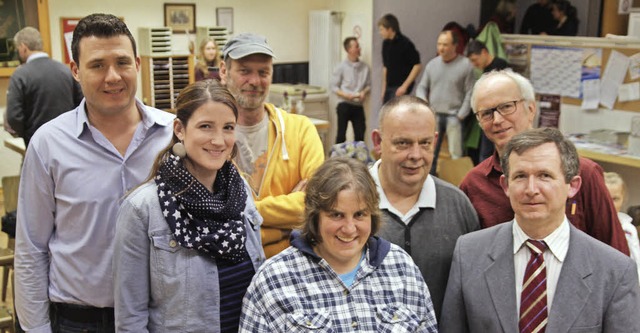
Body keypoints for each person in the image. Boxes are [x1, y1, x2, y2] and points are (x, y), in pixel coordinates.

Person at [14, 13, 174, 332]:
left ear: (138, 64)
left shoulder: (173, 135)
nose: (113, 76)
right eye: (97, 65)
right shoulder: (49, 144)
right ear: (75, 71)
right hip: (80, 320)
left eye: (122, 62)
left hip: (160, 317)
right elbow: (31, 248)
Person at [441, 127, 640, 332]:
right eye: (520, 176)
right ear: (505, 185)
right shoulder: (469, 254)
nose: (531, 189)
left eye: (544, 175)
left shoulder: (615, 271)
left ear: (572, 185)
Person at [113, 80, 265, 331]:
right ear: (180, 129)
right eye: (206, 126)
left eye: (228, 127)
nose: (219, 140)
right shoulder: (142, 209)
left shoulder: (242, 194)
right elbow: (130, 318)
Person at [239, 157, 438, 332]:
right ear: (315, 217)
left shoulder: (402, 269)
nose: (349, 229)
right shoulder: (273, 280)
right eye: (336, 215)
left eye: (359, 214)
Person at [460, 70, 630, 255]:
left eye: (507, 107)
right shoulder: (474, 185)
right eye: (486, 113)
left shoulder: (583, 173)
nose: (497, 120)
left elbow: (616, 255)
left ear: (531, 109)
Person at [370, 95, 479, 320]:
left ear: (435, 141)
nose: (416, 155)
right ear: (378, 141)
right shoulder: (347, 203)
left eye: (425, 143)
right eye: (403, 143)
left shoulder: (457, 205)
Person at [219, 33, 324, 258]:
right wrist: (286, 225)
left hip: (292, 267)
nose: (255, 81)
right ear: (224, 71)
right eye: (244, 71)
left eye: (263, 72)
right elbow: (213, 221)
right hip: (232, 270)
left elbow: (316, 205)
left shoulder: (300, 130)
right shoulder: (209, 140)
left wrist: (247, 213)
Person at [6, 26, 83, 147]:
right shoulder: (66, 70)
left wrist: (26, 134)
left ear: (23, 47)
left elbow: (14, 116)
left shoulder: (20, 75)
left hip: (36, 143)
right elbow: (81, 103)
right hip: (69, 141)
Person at [416, 30, 475, 175]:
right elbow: (422, 87)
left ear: (455, 46)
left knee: (456, 154)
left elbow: (470, 91)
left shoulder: (466, 65)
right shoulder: (432, 64)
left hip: (454, 116)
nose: (441, 48)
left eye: (445, 45)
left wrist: (462, 114)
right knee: (430, 151)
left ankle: (458, 184)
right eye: (439, 44)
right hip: (434, 114)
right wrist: (425, 106)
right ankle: (429, 180)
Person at [466, 39, 508, 163]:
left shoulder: (500, 66)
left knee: (487, 153)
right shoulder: (485, 69)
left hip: (498, 116)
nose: (474, 64)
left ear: (484, 52)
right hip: (487, 115)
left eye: (475, 60)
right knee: (484, 152)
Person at [330, 36, 371, 144]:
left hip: (358, 104)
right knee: (341, 134)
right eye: (356, 46)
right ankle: (337, 158)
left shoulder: (365, 67)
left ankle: (358, 158)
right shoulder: (341, 67)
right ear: (349, 50)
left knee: (360, 134)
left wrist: (364, 92)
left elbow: (368, 85)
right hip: (344, 103)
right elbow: (334, 87)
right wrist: (346, 95)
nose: (359, 49)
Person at [604, 172, 640, 280]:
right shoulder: (592, 224)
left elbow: (636, 263)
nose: (611, 204)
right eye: (606, 198)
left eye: (615, 199)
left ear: (623, 198)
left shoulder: (628, 229)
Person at [378, 13, 421, 103]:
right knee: (386, 114)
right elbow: (386, 67)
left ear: (389, 29)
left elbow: (417, 66)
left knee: (396, 114)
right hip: (389, 86)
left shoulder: (405, 43)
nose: (380, 33)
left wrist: (404, 86)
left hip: (400, 86)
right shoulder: (385, 44)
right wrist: (383, 88)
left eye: (382, 29)